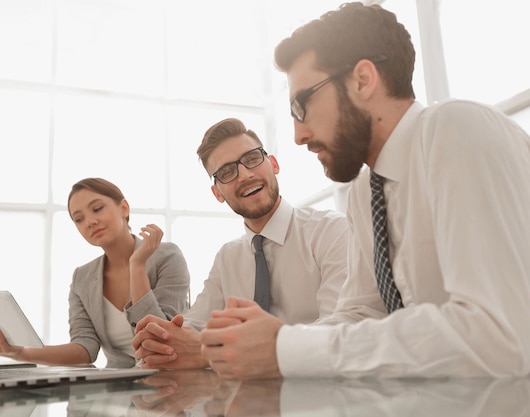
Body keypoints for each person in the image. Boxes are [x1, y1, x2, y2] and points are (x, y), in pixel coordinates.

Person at [199, 2, 530, 380]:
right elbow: (362, 313)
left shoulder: (456, 129)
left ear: (362, 79)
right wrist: (268, 342)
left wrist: (288, 349)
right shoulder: (365, 191)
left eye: (301, 106)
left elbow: (500, 339)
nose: (298, 135)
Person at [131, 117, 349, 369]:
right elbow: (194, 326)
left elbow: (341, 328)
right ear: (217, 194)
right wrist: (165, 340)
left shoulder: (331, 231)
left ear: (274, 164)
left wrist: (213, 350)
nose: (244, 175)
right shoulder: (227, 257)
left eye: (252, 159)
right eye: (226, 172)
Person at [0, 177, 190, 368]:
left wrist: (137, 266)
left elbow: (164, 339)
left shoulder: (167, 256)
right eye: (79, 219)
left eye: (97, 209)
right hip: (119, 390)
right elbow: (85, 348)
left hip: (173, 383)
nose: (90, 222)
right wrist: (20, 352)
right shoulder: (82, 278)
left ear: (124, 208)